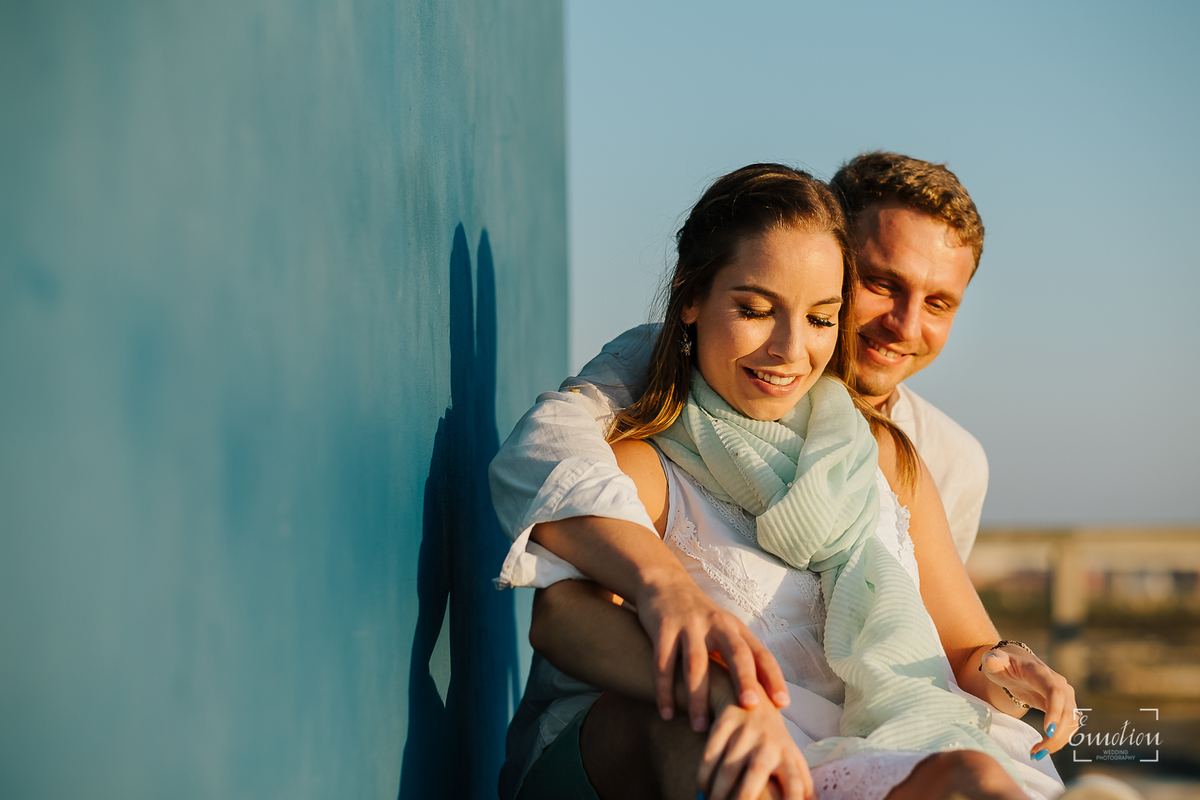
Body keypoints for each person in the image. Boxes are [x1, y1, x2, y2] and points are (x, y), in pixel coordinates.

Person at [494, 164, 1072, 800]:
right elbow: (558, 610)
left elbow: (966, 651)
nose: (789, 349)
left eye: (821, 318)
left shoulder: (889, 455)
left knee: (975, 777)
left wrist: (1010, 668)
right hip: (713, 742)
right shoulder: (640, 451)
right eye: (754, 310)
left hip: (872, 736)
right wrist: (725, 687)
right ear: (691, 299)